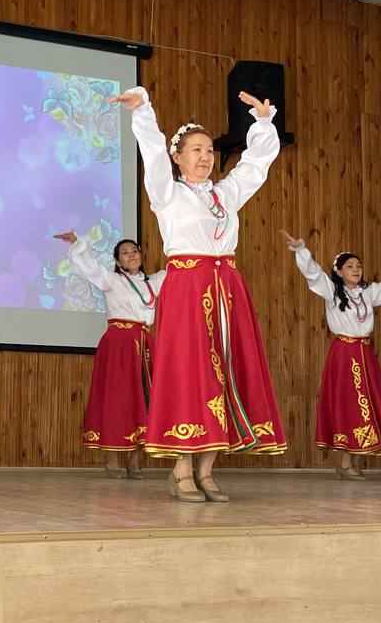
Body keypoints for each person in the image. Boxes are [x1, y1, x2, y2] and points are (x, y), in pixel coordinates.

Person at [109, 85, 285, 503]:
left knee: (226, 373)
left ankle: (207, 470)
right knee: (191, 374)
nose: (205, 157)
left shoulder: (225, 195)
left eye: (209, 150)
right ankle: (182, 468)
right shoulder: (168, 193)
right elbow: (152, 153)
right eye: (195, 150)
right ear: (178, 157)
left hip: (227, 290)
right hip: (188, 289)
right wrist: (143, 111)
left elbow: (255, 165)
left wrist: (263, 123)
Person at [55, 232, 165, 478]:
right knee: (117, 399)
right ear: (117, 261)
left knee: (145, 399)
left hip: (144, 344)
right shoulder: (112, 280)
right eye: (125, 252)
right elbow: (90, 267)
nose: (131, 255)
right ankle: (112, 458)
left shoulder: (154, 282)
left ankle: (135, 460)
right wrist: (77, 244)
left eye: (134, 251)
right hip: (119, 343)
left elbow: (179, 272)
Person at [282, 233, 381, 479]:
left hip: (364, 354)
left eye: (358, 266)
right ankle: (345, 464)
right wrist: (300, 250)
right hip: (345, 355)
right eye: (350, 266)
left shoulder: (368, 293)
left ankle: (353, 462)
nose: (356, 269)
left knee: (367, 404)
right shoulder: (333, 293)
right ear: (339, 271)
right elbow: (313, 274)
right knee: (349, 405)